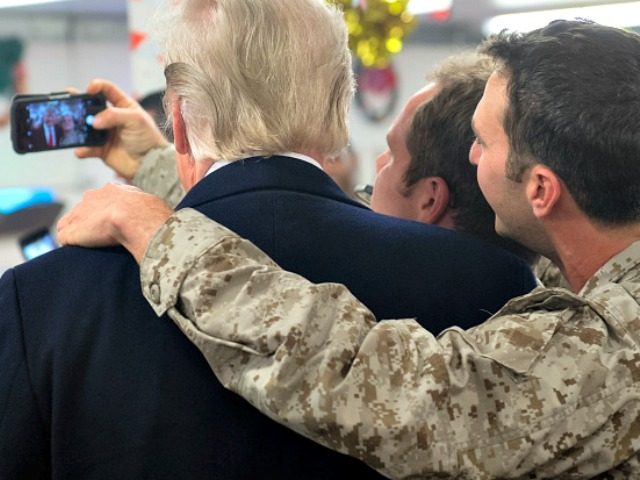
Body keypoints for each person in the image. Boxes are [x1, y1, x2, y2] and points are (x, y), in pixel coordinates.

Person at [59, 19, 640, 478]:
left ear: (541, 190)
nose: (467, 156)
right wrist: (163, 162)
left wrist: (166, 241)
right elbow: (348, 215)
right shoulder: (581, 276)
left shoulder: (620, 347)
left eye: (483, 143)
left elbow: (397, 391)